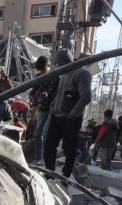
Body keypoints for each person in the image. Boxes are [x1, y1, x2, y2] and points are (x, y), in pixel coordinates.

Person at [43, 49, 92, 177]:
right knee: (49, 145)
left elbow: (86, 97)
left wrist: (72, 114)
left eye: (60, 64)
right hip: (57, 116)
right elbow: (60, 94)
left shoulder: (82, 73)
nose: (59, 66)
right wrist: (53, 106)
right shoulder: (64, 74)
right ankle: (49, 172)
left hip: (71, 119)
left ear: (66, 62)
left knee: (69, 148)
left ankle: (66, 175)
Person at [27, 55, 54, 163]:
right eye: (40, 70)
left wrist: (48, 95)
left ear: (48, 65)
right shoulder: (38, 77)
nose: (42, 72)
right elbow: (32, 92)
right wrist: (36, 96)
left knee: (47, 133)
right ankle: (39, 158)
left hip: (53, 108)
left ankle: (46, 158)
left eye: (43, 69)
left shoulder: (55, 76)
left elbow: (56, 92)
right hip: (42, 108)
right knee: (38, 134)